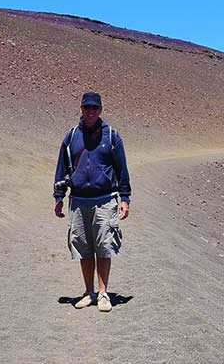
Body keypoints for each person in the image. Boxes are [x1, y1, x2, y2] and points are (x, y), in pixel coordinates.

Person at [53, 91, 131, 312]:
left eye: (94, 108)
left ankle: (104, 293)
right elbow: (61, 168)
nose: (90, 111)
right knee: (84, 248)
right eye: (87, 107)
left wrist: (125, 199)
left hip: (105, 200)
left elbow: (121, 169)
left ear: (100, 110)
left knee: (104, 247)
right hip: (78, 201)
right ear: (81, 108)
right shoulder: (71, 137)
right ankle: (89, 292)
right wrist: (59, 197)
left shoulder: (112, 137)